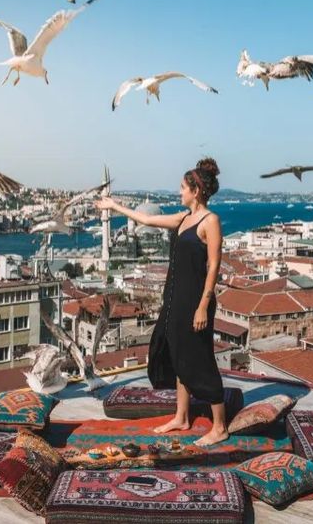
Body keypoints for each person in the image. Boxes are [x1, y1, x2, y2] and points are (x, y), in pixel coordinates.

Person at [96, 157, 228, 447]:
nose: (178, 192)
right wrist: (113, 206)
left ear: (196, 191)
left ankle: (219, 426)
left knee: (199, 358)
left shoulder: (211, 221)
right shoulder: (182, 219)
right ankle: (181, 416)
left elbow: (215, 266)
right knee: (177, 355)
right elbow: (146, 219)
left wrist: (203, 306)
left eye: (182, 188)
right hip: (174, 299)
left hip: (196, 301)